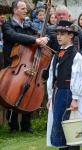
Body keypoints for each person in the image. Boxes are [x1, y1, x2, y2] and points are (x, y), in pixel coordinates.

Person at [2, 0, 48, 133]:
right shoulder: (7, 25)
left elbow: (42, 34)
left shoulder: (29, 25)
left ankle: (27, 125)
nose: (25, 10)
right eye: (22, 8)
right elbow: (14, 36)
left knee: (29, 90)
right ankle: (13, 125)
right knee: (13, 93)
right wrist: (35, 40)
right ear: (15, 10)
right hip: (14, 65)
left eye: (25, 8)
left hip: (28, 63)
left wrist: (45, 39)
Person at [46, 20, 82, 149]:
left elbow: (78, 77)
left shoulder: (76, 55)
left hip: (69, 94)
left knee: (71, 125)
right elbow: (52, 75)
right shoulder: (57, 54)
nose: (58, 36)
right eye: (58, 33)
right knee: (58, 123)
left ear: (71, 35)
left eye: (62, 33)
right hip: (58, 93)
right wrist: (50, 96)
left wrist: (75, 98)